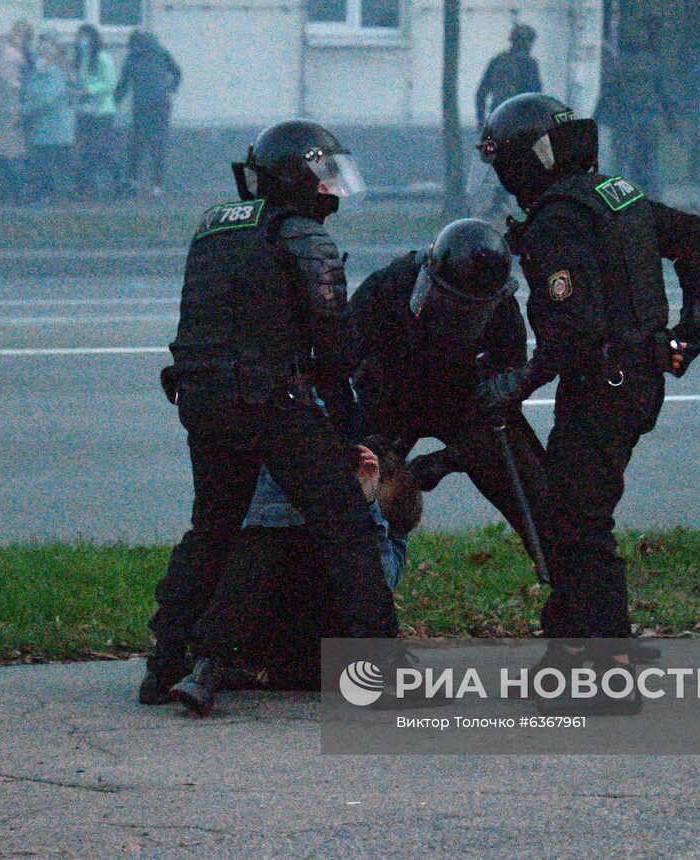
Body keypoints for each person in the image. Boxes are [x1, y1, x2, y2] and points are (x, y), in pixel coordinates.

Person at [142, 120, 395, 716]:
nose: (332, 190)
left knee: (213, 531)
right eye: (325, 175)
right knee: (347, 527)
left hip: (201, 402)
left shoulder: (213, 228)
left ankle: (164, 665)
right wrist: (353, 433)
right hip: (270, 403)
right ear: (298, 176)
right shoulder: (304, 237)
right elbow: (334, 351)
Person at [474, 94, 700, 700]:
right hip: (632, 378)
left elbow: (569, 333)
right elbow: (696, 235)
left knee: (580, 525)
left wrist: (515, 385)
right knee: (566, 512)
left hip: (603, 385)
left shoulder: (558, 219)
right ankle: (568, 655)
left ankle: (609, 675)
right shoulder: (614, 192)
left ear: (522, 161)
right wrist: (691, 324)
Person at [348, 218, 557, 572]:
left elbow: (505, 404)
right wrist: (370, 444)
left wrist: (448, 460)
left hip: (466, 407)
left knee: (540, 497)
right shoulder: (388, 286)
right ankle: (353, 586)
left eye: (467, 313)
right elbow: (340, 357)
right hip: (392, 398)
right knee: (349, 496)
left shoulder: (503, 312)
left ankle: (565, 580)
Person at [184, 446, 423, 701]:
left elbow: (382, 581)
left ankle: (261, 670)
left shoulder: (391, 514)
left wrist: (367, 508)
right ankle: (225, 662)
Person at [597, 18, 676, 199]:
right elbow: (664, 95)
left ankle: (622, 203)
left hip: (627, 119)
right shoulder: (654, 64)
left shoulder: (619, 66)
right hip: (651, 120)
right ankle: (655, 201)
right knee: (650, 163)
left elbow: (609, 94)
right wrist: (671, 121)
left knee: (623, 164)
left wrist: (598, 118)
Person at [114, 31, 181, 197]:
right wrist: (170, 89)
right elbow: (177, 73)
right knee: (146, 145)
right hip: (150, 106)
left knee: (147, 145)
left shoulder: (146, 55)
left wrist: (171, 90)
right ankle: (147, 183)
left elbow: (123, 84)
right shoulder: (157, 53)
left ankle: (147, 183)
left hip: (152, 107)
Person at [21, 37, 76, 203]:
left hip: (56, 126)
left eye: (43, 54)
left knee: (54, 161)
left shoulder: (55, 74)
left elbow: (47, 99)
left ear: (50, 57)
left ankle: (60, 192)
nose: (40, 58)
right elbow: (28, 92)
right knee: (43, 162)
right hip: (43, 127)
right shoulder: (38, 73)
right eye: (39, 54)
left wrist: (25, 110)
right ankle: (46, 192)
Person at [73, 24, 119, 198]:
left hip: (102, 111)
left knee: (101, 148)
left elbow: (110, 83)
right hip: (86, 110)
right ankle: (86, 186)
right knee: (86, 149)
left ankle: (118, 180)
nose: (81, 41)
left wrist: (89, 89)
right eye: (79, 38)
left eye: (84, 37)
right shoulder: (83, 58)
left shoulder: (103, 57)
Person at [0, 20, 33, 204]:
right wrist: (18, 109)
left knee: (3, 150)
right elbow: (12, 86)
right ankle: (20, 192)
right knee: (14, 152)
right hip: (9, 110)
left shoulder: (2, 51)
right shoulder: (12, 56)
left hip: (1, 109)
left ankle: (4, 192)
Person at [475, 24, 543, 129]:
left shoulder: (497, 61)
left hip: (497, 120)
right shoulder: (529, 64)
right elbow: (536, 96)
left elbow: (481, 93)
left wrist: (481, 122)